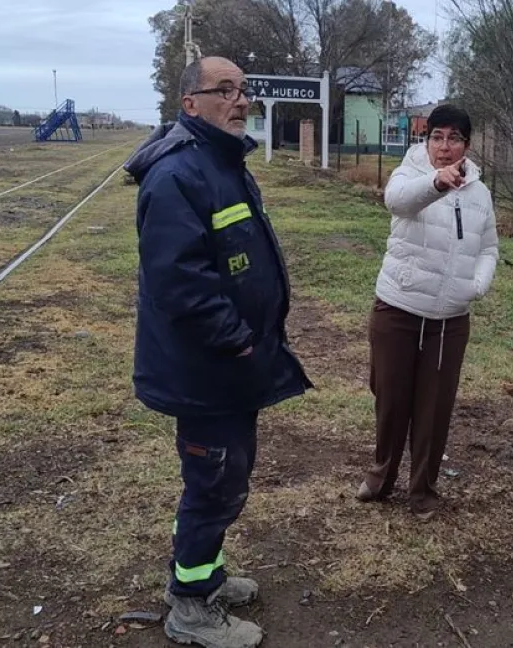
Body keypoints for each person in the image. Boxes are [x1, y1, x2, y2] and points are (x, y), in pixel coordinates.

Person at [123, 57, 312, 648]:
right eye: (223, 90)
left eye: (243, 90)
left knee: (224, 479)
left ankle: (202, 575)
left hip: (231, 367)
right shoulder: (177, 175)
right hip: (207, 370)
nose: (240, 100)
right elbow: (181, 283)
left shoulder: (222, 162)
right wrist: (239, 339)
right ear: (189, 104)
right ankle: (190, 606)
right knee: (214, 483)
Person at [356, 104, 499, 520]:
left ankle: (423, 490)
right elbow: (396, 202)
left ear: (467, 146)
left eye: (454, 138)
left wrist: (477, 284)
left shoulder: (480, 193)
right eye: (437, 136)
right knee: (391, 398)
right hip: (398, 309)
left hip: (449, 320)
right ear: (426, 140)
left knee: (434, 407)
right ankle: (381, 476)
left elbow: (489, 248)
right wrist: (436, 182)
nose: (445, 146)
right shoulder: (410, 173)